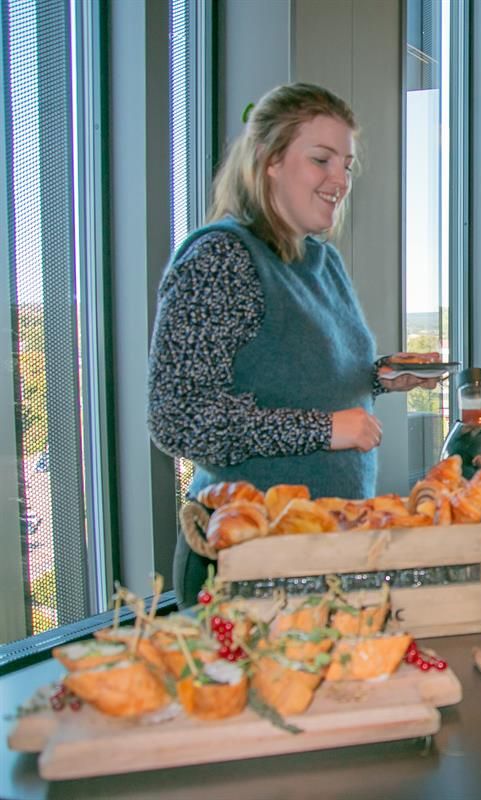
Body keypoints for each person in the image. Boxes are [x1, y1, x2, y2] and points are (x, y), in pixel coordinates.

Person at [148, 83, 441, 603]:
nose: (340, 180)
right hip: (248, 559)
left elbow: (294, 375)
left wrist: (377, 376)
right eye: (321, 160)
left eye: (347, 165)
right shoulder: (220, 259)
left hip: (323, 550)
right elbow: (179, 418)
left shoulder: (322, 261)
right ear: (269, 162)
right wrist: (325, 429)